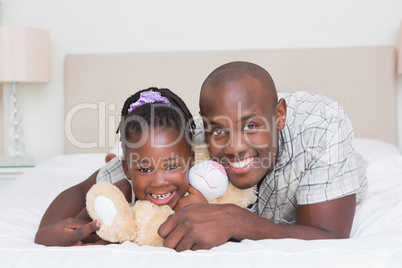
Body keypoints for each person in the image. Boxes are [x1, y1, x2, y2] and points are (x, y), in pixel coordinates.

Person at [157, 61, 367, 251]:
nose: (234, 148)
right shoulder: (195, 139)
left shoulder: (322, 126)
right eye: (219, 131)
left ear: (279, 116)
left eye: (251, 126)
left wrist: (236, 221)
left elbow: (331, 238)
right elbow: (129, 163)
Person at [35, 87, 206, 246]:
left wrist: (206, 210)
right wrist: (47, 231)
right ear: (127, 169)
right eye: (145, 169)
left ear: (190, 160)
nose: (159, 181)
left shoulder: (205, 178)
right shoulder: (120, 187)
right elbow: (80, 204)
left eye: (172, 166)